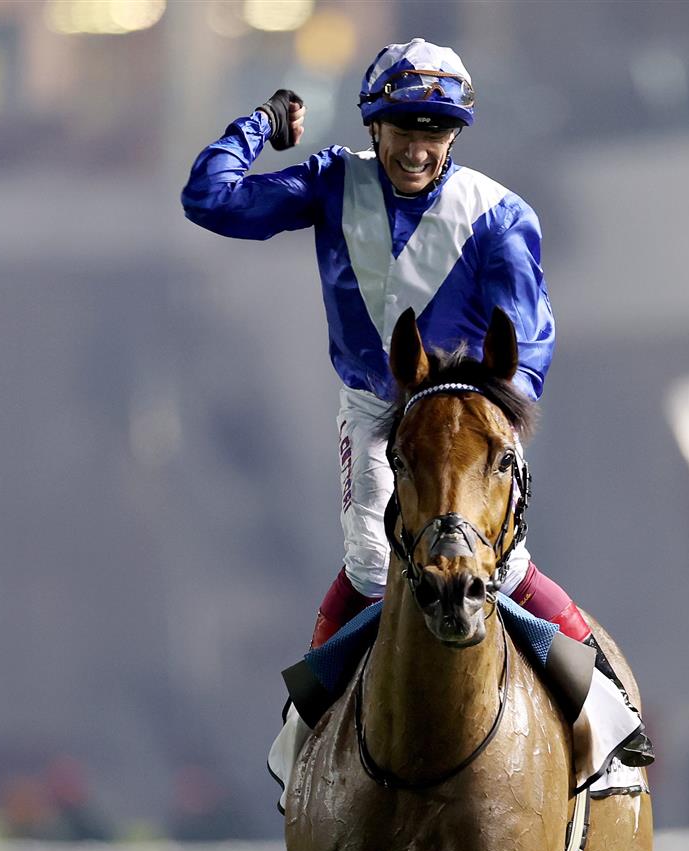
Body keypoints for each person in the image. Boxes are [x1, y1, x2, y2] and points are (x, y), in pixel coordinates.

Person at [181, 39, 652, 794]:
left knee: (504, 564)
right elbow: (209, 201)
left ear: (455, 135)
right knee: (371, 561)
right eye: (404, 125)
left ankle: (603, 704)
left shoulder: (499, 215)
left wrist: (487, 411)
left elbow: (530, 339)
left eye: (434, 129)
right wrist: (260, 124)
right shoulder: (332, 181)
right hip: (376, 407)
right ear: (374, 126)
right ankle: (311, 723)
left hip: (468, 417)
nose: (418, 146)